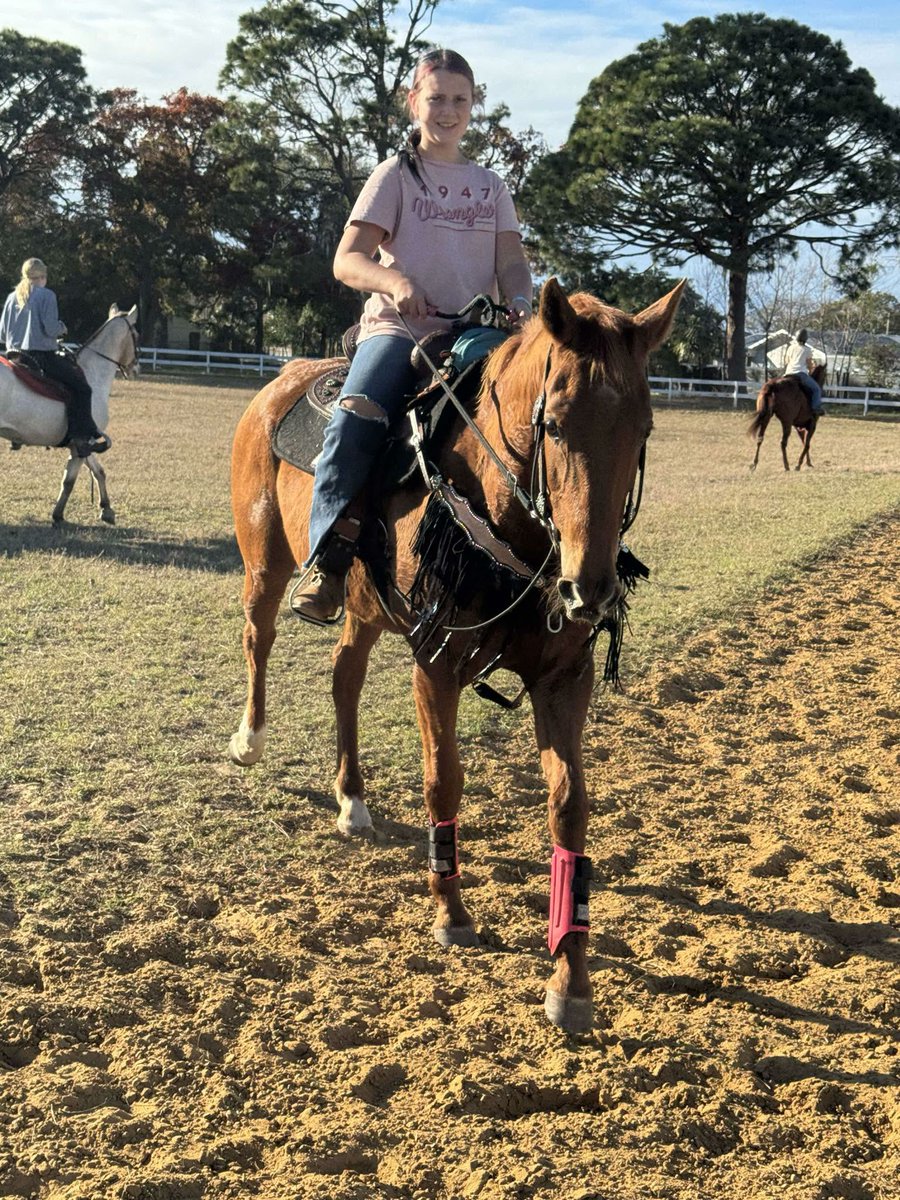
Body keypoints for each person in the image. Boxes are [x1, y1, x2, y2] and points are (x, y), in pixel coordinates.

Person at [292, 47, 534, 624]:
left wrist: (521, 302)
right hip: (400, 331)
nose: (448, 111)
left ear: (474, 105)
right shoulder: (395, 175)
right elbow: (347, 261)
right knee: (358, 416)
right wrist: (393, 279)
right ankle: (327, 560)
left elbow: (512, 262)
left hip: (477, 333)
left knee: (546, 416)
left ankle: (560, 554)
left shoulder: (489, 186)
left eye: (459, 100)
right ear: (414, 103)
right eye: (436, 99)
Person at [0, 258, 111, 456]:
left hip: (14, 357)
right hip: (39, 357)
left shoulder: (12, 297)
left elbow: (2, 334)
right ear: (42, 276)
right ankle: (81, 437)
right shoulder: (46, 295)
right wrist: (62, 328)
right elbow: (51, 329)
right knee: (82, 388)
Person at [783, 328, 826, 417]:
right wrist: (810, 372)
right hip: (800, 374)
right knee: (816, 389)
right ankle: (815, 408)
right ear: (805, 338)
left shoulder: (791, 347)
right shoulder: (807, 350)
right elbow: (809, 364)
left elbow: (786, 361)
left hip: (788, 373)